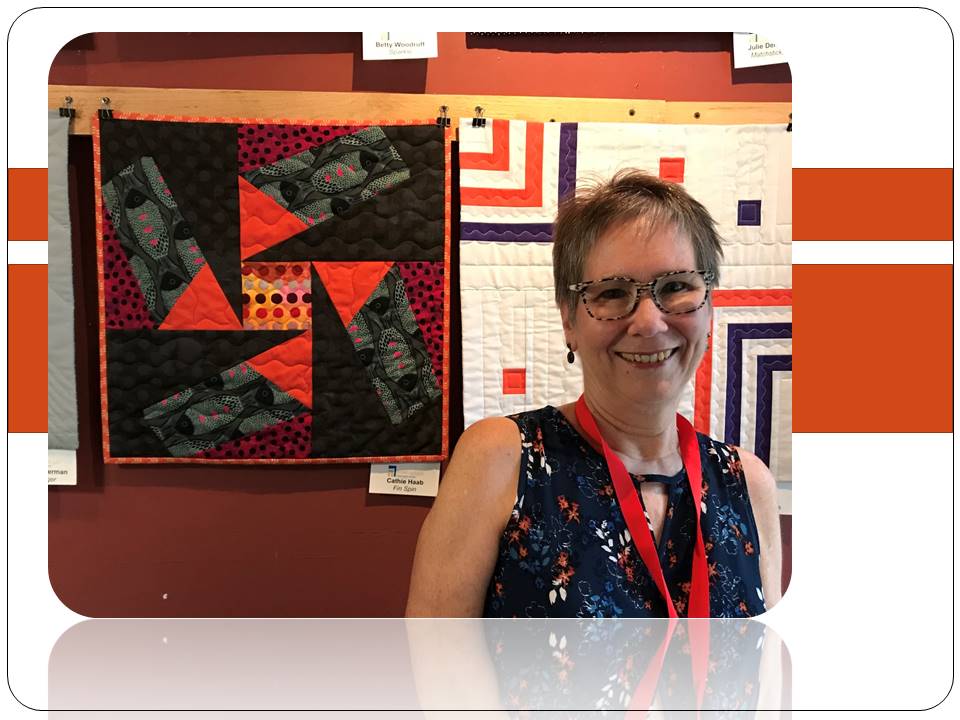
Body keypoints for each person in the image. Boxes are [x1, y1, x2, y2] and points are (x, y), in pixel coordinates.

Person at [406, 170, 782, 618]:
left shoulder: (748, 484)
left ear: (709, 306)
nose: (649, 323)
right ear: (569, 321)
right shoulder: (500, 460)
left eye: (677, 286)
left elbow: (769, 660)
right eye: (612, 293)